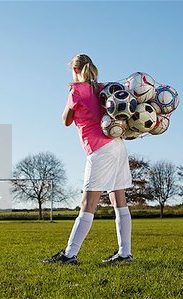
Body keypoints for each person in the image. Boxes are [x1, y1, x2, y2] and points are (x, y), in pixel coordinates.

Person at [43, 54, 134, 265]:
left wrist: (72, 95)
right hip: (117, 144)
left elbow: (65, 120)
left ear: (74, 70)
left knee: (88, 203)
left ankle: (69, 254)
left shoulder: (76, 90)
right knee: (119, 199)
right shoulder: (103, 88)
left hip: (100, 150)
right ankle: (124, 253)